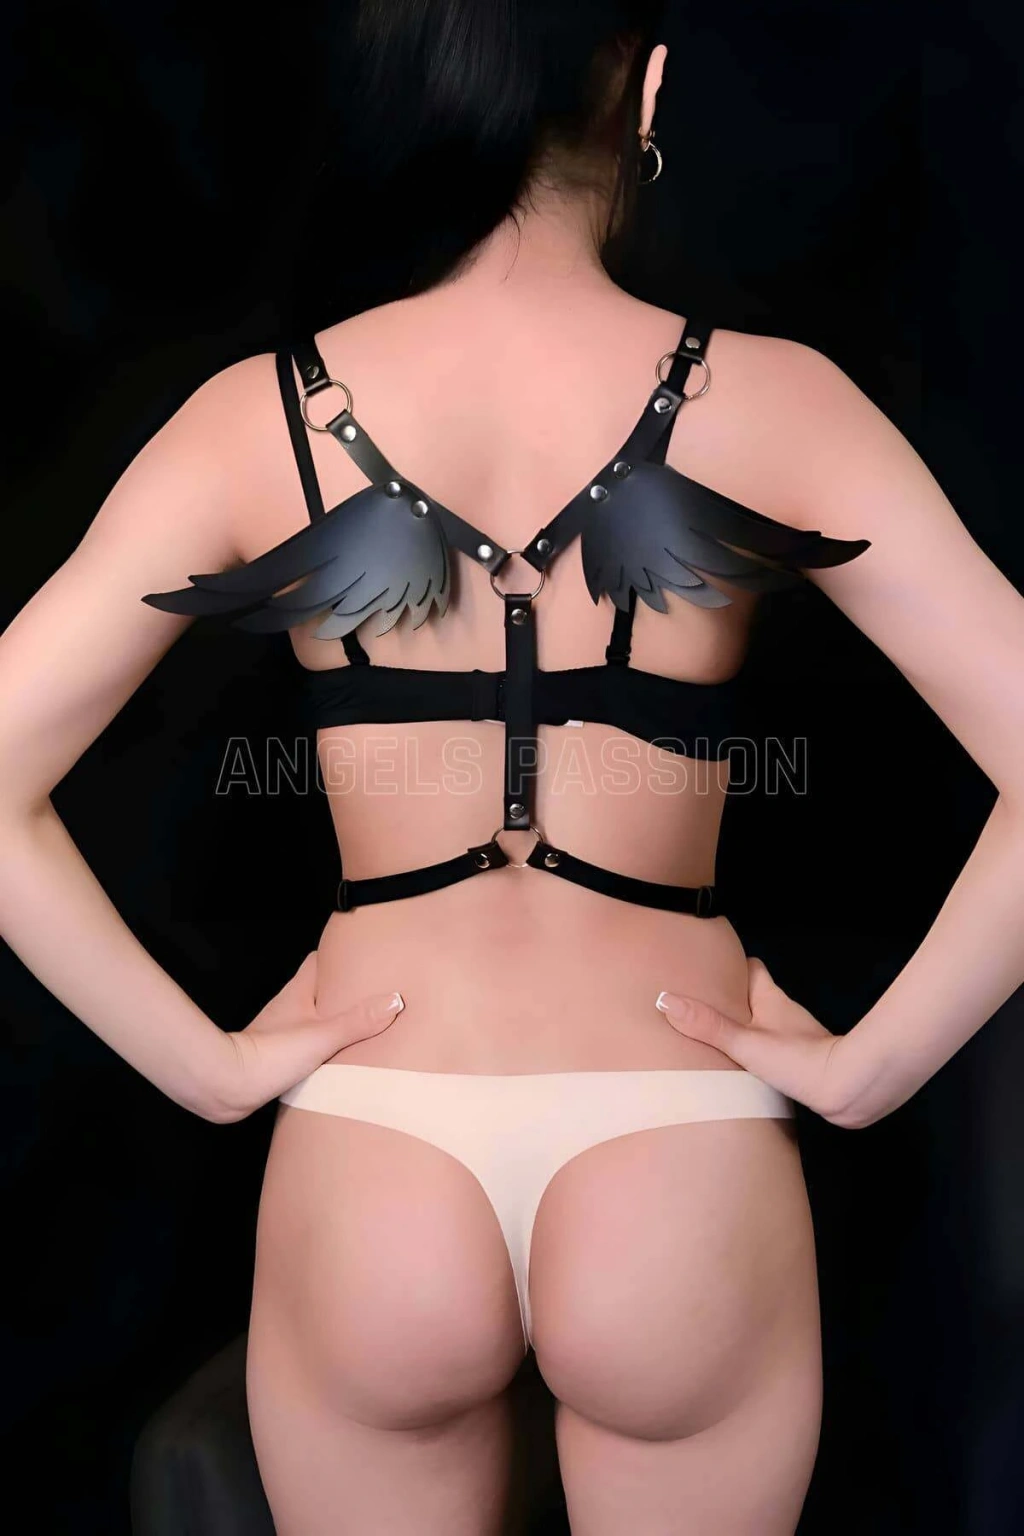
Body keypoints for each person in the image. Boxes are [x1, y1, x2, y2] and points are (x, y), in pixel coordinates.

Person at [2, 2, 1023, 1532]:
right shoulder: (774, 402)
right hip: (675, 1150)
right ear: (646, 89)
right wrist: (872, 1068)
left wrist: (204, 1069)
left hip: (379, 1146)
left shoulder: (257, 422)